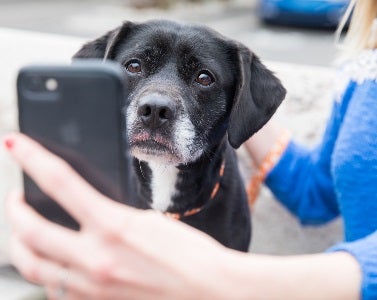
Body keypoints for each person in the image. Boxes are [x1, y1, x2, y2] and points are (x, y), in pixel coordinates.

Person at [3, 0, 377, 299]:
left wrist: (242, 107)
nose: (157, 102)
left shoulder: (229, 216)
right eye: (135, 66)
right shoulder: (362, 75)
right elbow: (317, 190)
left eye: (203, 78)